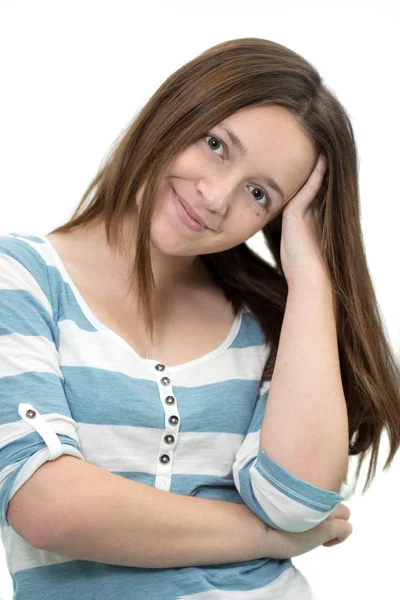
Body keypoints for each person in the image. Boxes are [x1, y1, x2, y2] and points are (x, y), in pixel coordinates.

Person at [1, 37, 399, 600]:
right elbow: (47, 507)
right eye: (216, 145)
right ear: (175, 109)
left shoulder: (272, 320)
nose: (216, 198)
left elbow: (297, 501)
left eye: (259, 194)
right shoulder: (20, 279)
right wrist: (270, 538)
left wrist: (310, 280)